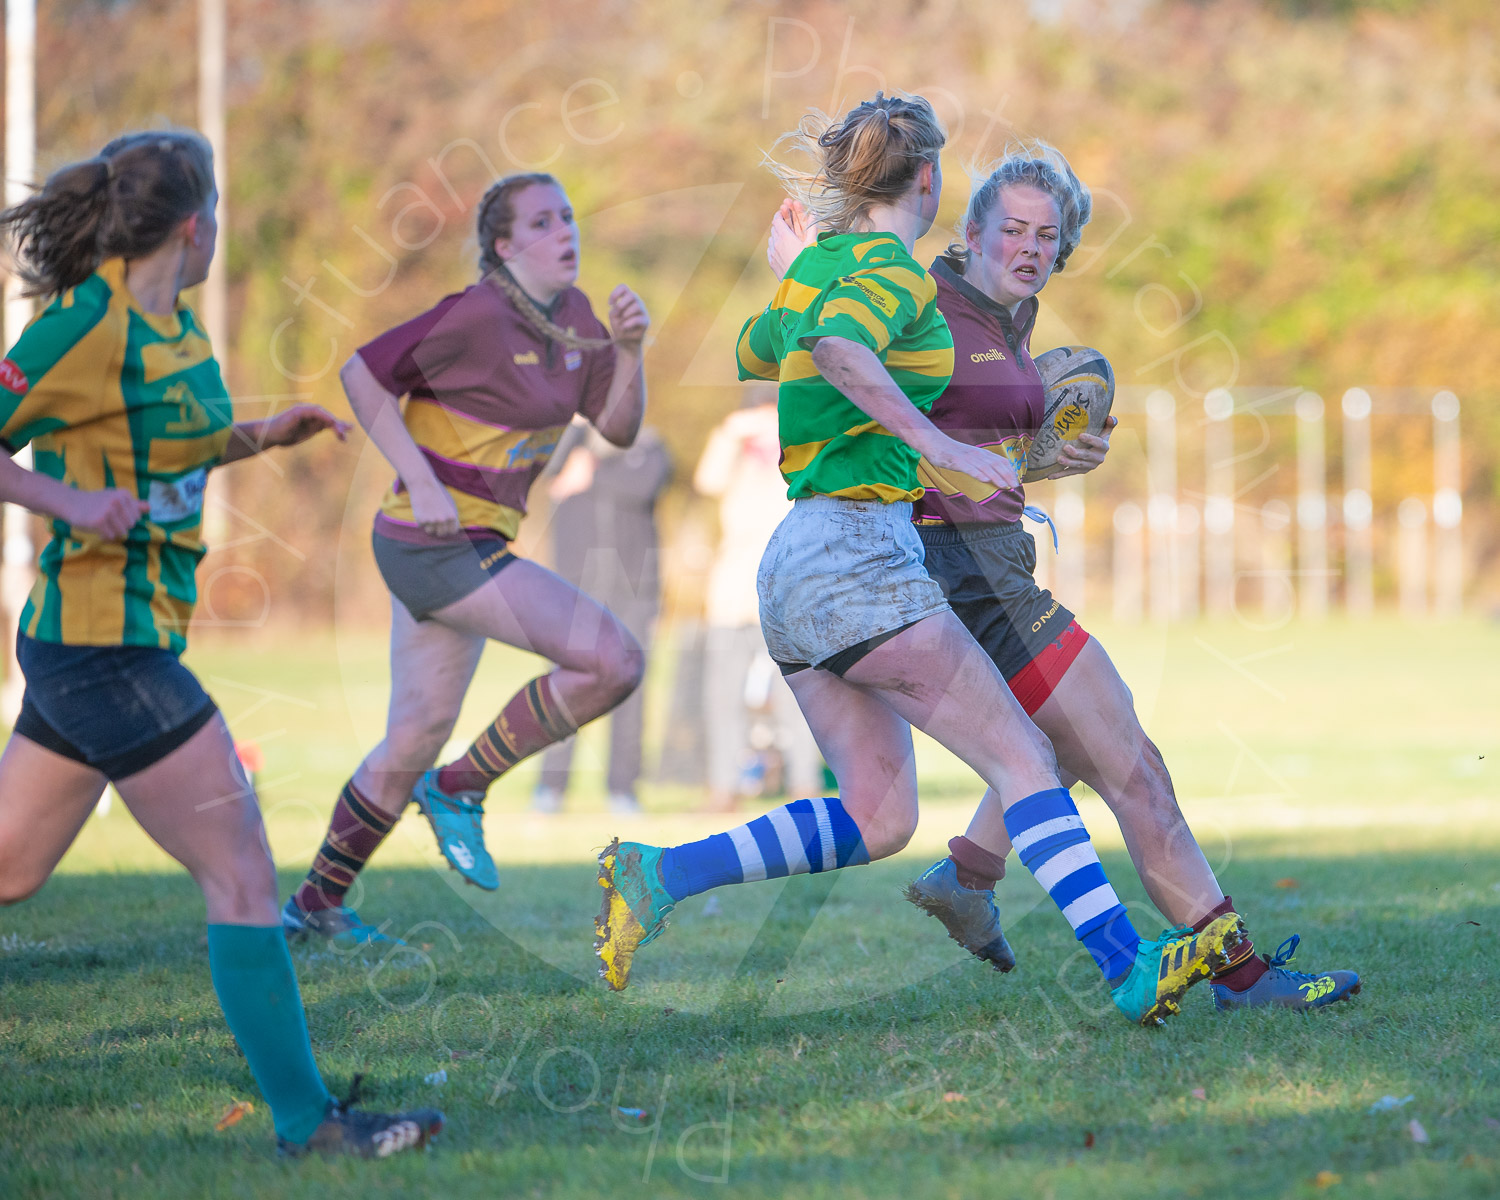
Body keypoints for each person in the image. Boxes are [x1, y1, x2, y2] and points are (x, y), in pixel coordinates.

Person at [592, 93, 1245, 1027]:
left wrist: (801, 275)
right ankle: (1127, 966)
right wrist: (932, 441)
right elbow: (840, 346)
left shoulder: (829, 269)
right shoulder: (894, 273)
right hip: (861, 554)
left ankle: (654, 876)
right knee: (1026, 756)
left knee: (879, 816)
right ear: (932, 182)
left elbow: (761, 347)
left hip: (792, 566)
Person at [780, 143, 1360, 1011]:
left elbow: (966, 439)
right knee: (1131, 766)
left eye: (1046, 236)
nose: (1027, 246)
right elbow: (855, 379)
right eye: (1010, 228)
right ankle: (1241, 977)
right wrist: (801, 277)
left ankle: (967, 877)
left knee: (1058, 752)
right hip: (962, 577)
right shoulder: (923, 293)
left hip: (986, 561)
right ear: (969, 231)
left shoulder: (1008, 315)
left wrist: (1042, 458)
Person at [0, 130, 441, 1157]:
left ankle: (305, 1120)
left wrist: (260, 437)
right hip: (105, 649)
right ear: (196, 226)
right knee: (242, 868)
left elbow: (171, 445)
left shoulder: (177, 325)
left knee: (11, 873)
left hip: (104, 643)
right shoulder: (83, 322)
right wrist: (63, 496)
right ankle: (308, 1125)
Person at [282, 172, 649, 941]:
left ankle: (315, 905)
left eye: (569, 215)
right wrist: (419, 478)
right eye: (543, 223)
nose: (565, 232)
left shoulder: (578, 318)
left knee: (412, 733)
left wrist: (632, 351)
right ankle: (458, 788)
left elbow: (615, 429)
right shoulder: (477, 314)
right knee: (612, 659)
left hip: (469, 546)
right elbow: (361, 372)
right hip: (428, 544)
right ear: (504, 247)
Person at [532, 422, 671, 815]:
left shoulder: (648, 443)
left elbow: (642, 487)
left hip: (635, 589)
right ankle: (550, 788)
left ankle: (623, 790)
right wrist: (574, 433)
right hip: (574, 587)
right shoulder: (565, 440)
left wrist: (589, 472)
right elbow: (545, 475)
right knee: (566, 686)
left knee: (630, 687)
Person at [693, 388, 822, 812]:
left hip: (791, 587)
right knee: (723, 698)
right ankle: (722, 788)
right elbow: (707, 481)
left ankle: (805, 785)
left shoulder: (800, 438)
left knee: (799, 694)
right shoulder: (733, 442)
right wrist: (732, 435)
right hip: (731, 592)